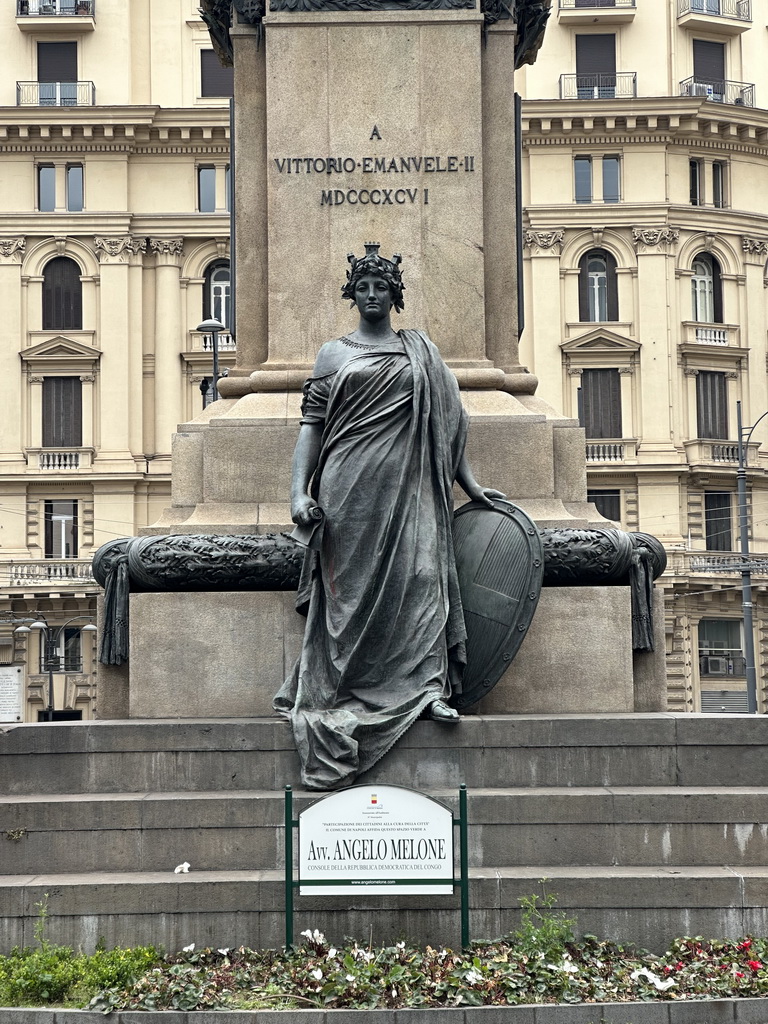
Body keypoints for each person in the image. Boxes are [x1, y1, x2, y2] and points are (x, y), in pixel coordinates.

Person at [273, 244, 504, 790]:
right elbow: (311, 427)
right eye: (364, 288)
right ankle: (342, 691)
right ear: (352, 295)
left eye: (381, 287)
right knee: (349, 603)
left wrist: (468, 484)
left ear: (395, 295)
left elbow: (449, 420)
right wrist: (297, 494)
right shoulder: (333, 354)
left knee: (423, 580)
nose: (372, 295)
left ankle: (426, 692)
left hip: (413, 485)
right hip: (348, 489)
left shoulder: (420, 351)